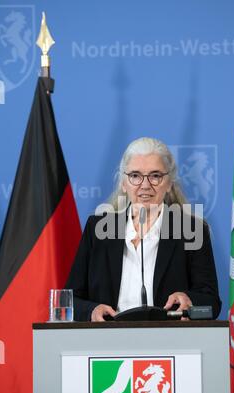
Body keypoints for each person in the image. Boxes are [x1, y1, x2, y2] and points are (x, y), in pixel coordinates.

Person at [66, 137, 221, 321]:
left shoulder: (192, 230)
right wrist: (92, 311)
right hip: (108, 341)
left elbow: (211, 304)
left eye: (155, 176)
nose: (145, 185)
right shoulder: (97, 229)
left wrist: (190, 302)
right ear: (124, 183)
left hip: (170, 343)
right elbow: (72, 300)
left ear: (169, 182)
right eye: (135, 176)